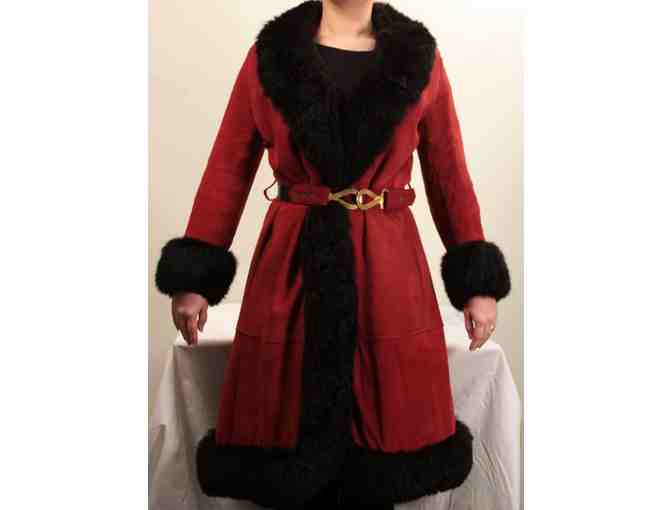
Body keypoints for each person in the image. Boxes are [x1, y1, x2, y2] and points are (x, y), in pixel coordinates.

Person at [154, 1, 511, 509]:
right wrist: (195, 277)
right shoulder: (271, 57)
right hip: (291, 268)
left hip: (389, 269)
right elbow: (228, 168)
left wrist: (478, 283)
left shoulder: (419, 59)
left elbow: (448, 173)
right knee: (287, 447)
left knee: (382, 449)